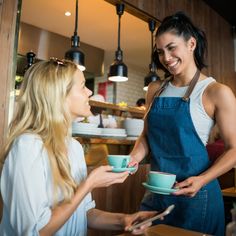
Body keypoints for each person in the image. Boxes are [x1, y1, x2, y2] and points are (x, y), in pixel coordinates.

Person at [0, 59, 157, 235]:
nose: (90, 91)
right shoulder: (27, 147)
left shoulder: (74, 147)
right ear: (59, 95)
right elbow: (34, 231)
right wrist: (88, 184)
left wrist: (125, 220)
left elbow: (85, 214)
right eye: (83, 86)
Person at [129, 11, 236, 236]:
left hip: (197, 197)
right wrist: (133, 159)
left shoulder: (216, 92)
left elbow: (234, 149)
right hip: (156, 193)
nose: (166, 58)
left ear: (191, 44)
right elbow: (147, 136)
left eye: (171, 47)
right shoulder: (155, 90)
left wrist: (203, 179)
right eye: (160, 52)